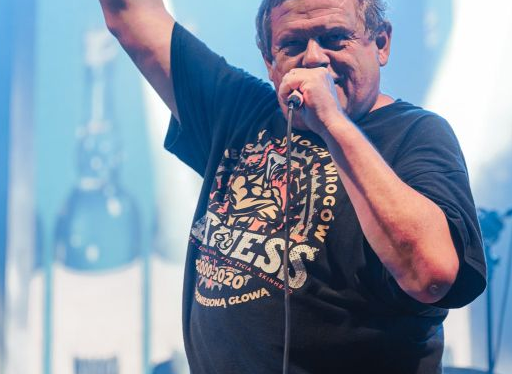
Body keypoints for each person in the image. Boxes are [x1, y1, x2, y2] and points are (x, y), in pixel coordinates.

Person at [98, 0, 486, 372]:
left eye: (336, 38)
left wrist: (331, 123)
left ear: (381, 44)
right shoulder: (238, 110)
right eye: (293, 45)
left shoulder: (416, 135)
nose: (314, 57)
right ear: (270, 60)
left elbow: (431, 274)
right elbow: (128, 14)